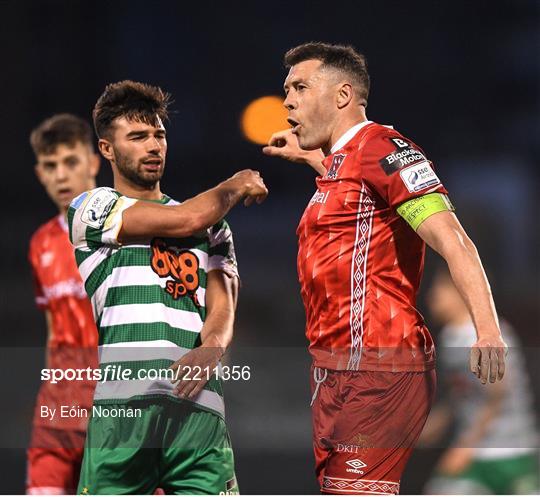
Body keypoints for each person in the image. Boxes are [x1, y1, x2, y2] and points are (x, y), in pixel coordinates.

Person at [262, 42, 507, 495]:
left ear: (342, 95)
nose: (288, 101)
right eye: (286, 90)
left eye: (300, 87)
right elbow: (355, 191)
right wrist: (312, 157)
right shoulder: (342, 163)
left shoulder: (388, 150)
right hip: (334, 369)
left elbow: (452, 239)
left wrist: (487, 330)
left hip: (380, 364)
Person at [68, 80, 267, 494]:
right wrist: (235, 184)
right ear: (107, 148)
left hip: (198, 406)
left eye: (159, 135)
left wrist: (211, 347)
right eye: (138, 137)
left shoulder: (214, 224)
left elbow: (225, 298)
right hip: (123, 406)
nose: (153, 146)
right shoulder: (91, 208)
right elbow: (184, 222)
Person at [27, 114, 100, 494]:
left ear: (93, 162)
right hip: (57, 411)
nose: (60, 176)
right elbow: (54, 330)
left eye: (70, 162)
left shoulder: (131, 229)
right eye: (50, 165)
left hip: (115, 410)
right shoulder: (40, 243)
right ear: (39, 172)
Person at [420, 267, 539, 495]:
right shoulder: (450, 337)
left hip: (511, 451)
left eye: (440, 288)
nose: (432, 295)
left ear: (462, 292)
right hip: (477, 452)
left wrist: (464, 447)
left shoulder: (488, 334)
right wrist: (436, 423)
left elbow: (497, 395)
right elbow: (464, 392)